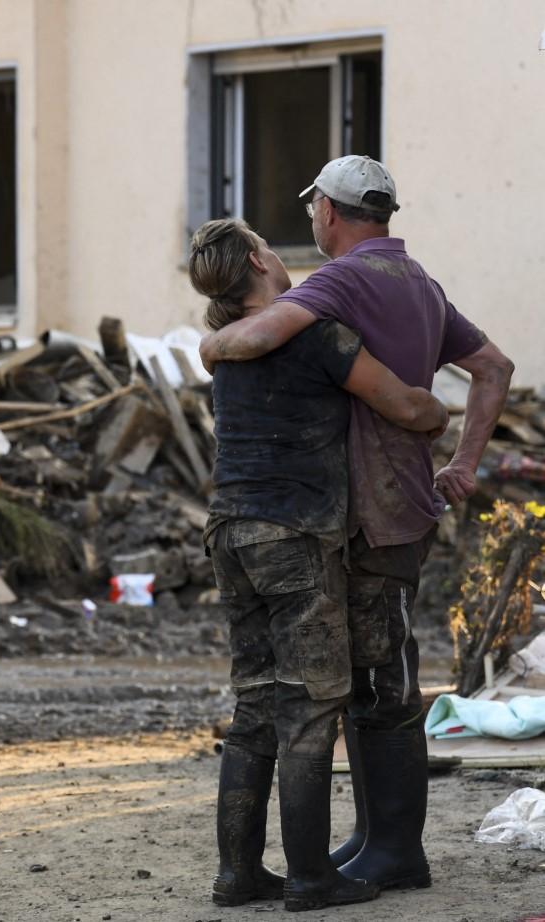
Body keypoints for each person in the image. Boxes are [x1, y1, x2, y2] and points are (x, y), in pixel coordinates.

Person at [199, 156, 515, 893]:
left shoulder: (335, 284)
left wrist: (207, 343)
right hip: (404, 502)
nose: (308, 221)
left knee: (370, 683)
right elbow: (494, 368)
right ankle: (376, 840)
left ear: (331, 212)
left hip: (358, 515)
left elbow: (246, 339)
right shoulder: (421, 284)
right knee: (385, 672)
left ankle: (389, 851)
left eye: (313, 208)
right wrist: (462, 464)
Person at [188, 218, 449, 912]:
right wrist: (435, 416)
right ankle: (310, 876)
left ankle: (237, 873)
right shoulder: (315, 334)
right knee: (309, 707)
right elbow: (399, 402)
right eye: (269, 245)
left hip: (229, 532)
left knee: (253, 705)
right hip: (295, 538)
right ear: (256, 259)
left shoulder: (226, 350)